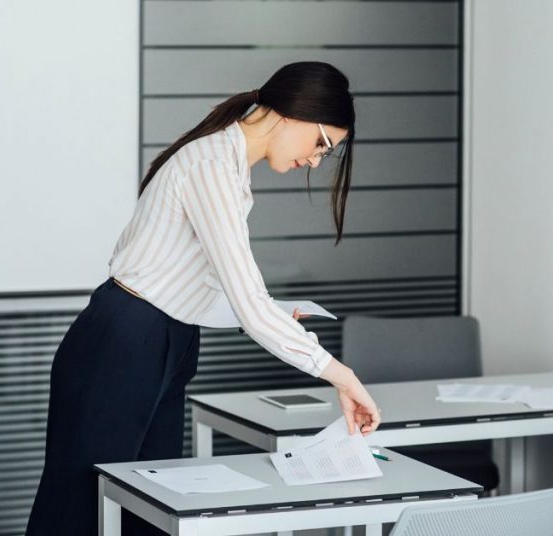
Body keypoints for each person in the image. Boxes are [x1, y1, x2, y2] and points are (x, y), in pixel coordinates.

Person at [26, 61, 381, 535]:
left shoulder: (229, 168)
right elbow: (241, 298)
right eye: (321, 144)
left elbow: (185, 290)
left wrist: (271, 314)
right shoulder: (211, 165)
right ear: (293, 113)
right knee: (78, 511)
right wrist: (343, 376)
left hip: (164, 339)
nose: (316, 161)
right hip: (123, 342)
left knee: (150, 505)